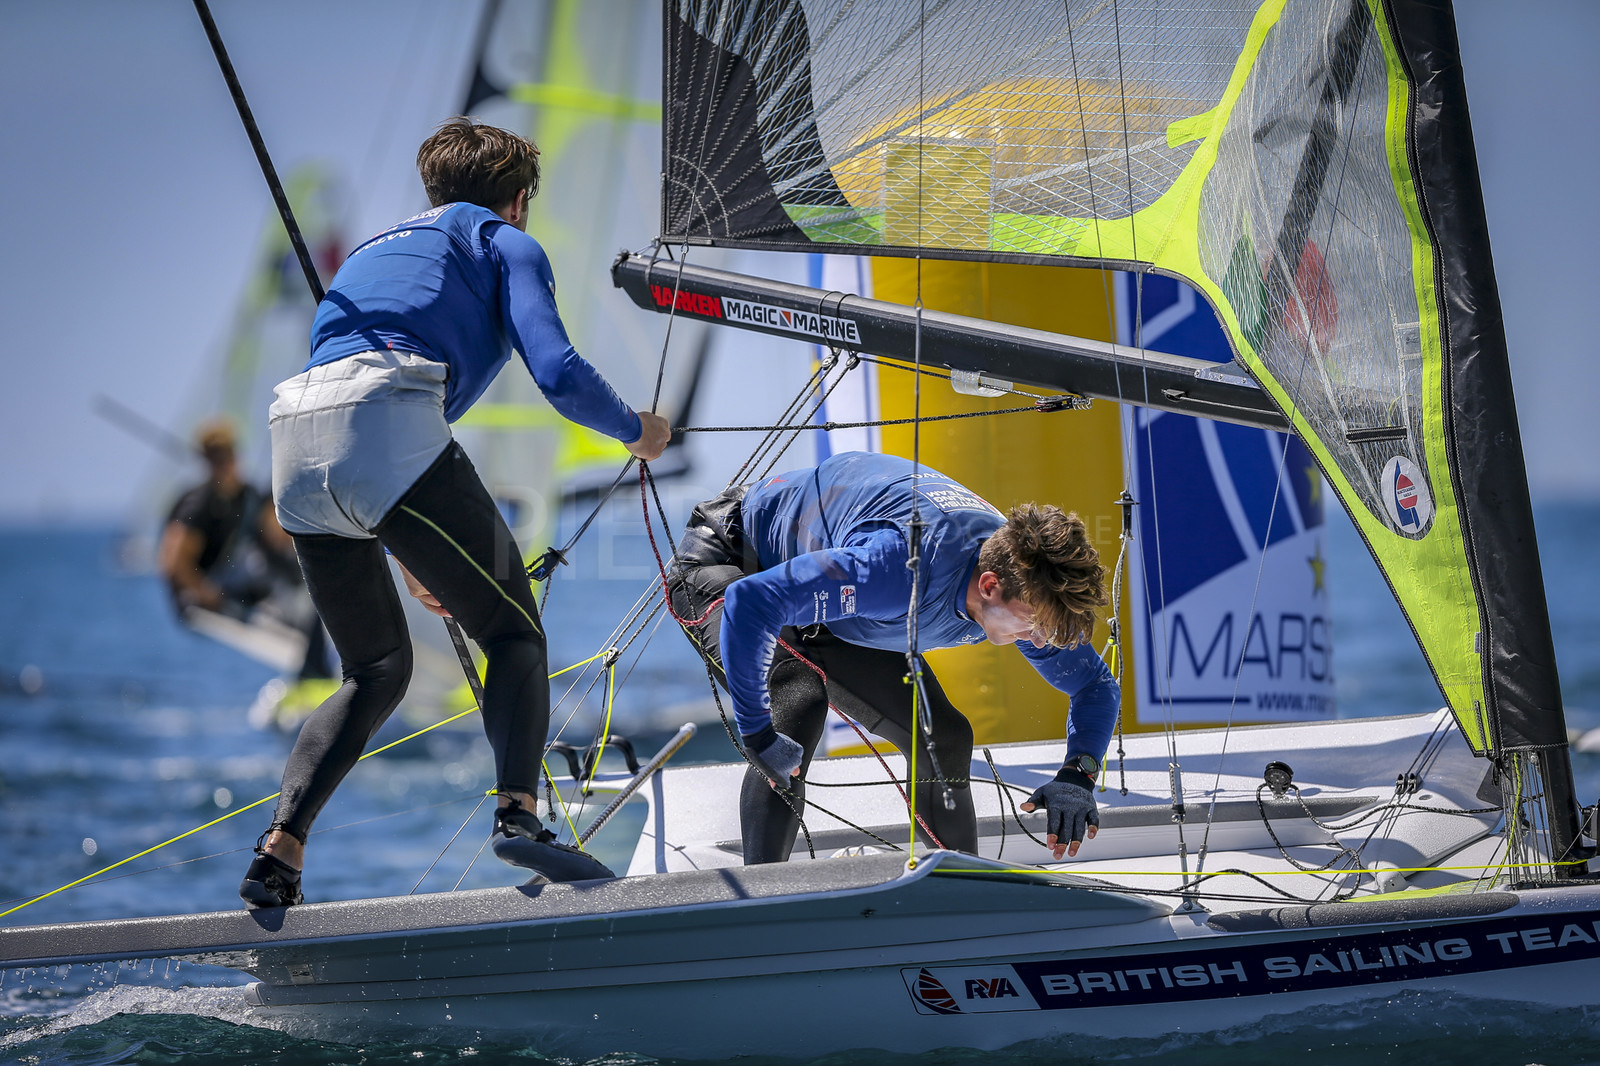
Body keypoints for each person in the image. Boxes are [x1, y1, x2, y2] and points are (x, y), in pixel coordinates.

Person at [239, 117, 671, 908]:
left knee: (375, 671)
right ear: (517, 201)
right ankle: (519, 816)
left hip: (292, 444)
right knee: (513, 633)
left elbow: (351, 422)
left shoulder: (372, 251)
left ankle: (280, 852)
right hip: (385, 429)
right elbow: (560, 371)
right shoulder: (504, 242)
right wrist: (639, 432)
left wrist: (410, 548)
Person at [666, 450, 1120, 865]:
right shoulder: (896, 569)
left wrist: (1078, 773)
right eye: (1031, 624)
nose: (1038, 641)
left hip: (826, 592)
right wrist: (758, 736)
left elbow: (1093, 686)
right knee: (796, 703)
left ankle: (963, 893)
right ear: (988, 587)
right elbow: (752, 602)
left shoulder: (1030, 583)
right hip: (730, 562)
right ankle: (762, 907)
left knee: (944, 736)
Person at [159, 417, 332, 682]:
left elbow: (278, 537)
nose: (223, 462)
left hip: (244, 581)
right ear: (206, 459)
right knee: (291, 588)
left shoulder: (249, 496)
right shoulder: (198, 505)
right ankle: (315, 672)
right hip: (210, 589)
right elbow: (172, 562)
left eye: (226, 454)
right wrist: (209, 596)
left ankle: (314, 645)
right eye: (215, 456)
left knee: (298, 574)